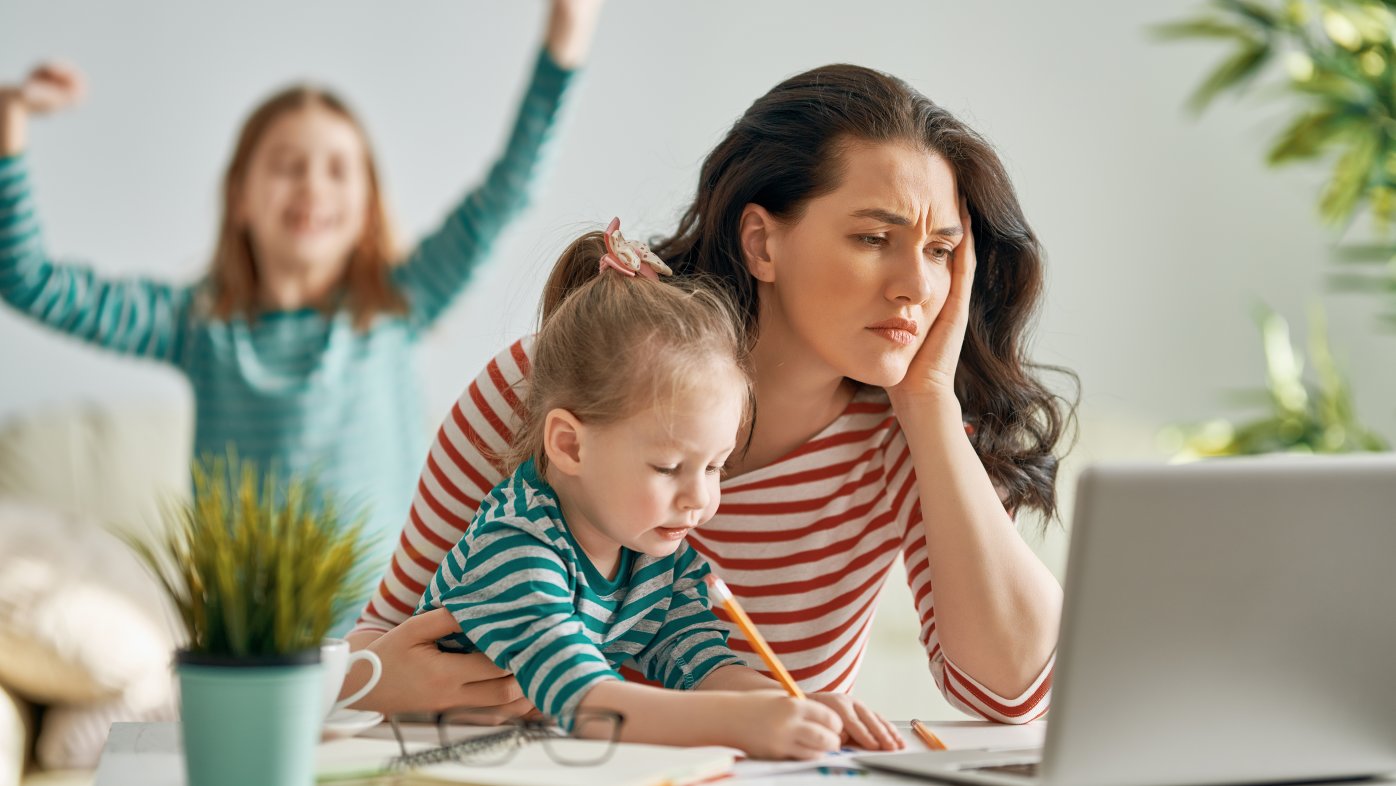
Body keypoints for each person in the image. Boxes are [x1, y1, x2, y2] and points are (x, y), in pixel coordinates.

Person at [348, 62, 1074, 736]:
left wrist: (929, 405)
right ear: (761, 243)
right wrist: (375, 683)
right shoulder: (545, 388)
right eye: (873, 236)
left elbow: (1011, 694)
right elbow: (377, 644)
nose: (916, 285)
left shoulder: (906, 435)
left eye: (941, 251)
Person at [0, 2, 602, 632]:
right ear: (239, 197)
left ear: (368, 207)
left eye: (339, 170)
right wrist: (10, 124)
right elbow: (28, 280)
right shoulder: (199, 325)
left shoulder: (396, 306)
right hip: (251, 644)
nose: (313, 185)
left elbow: (506, 194)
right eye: (288, 166)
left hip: (393, 634)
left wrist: (565, 43)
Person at [416, 219, 903, 758]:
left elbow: (703, 666)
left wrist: (797, 704)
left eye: (716, 467)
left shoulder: (648, 552)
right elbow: (584, 702)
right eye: (670, 467)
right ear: (570, 446)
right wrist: (741, 722)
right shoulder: (515, 550)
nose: (700, 500)